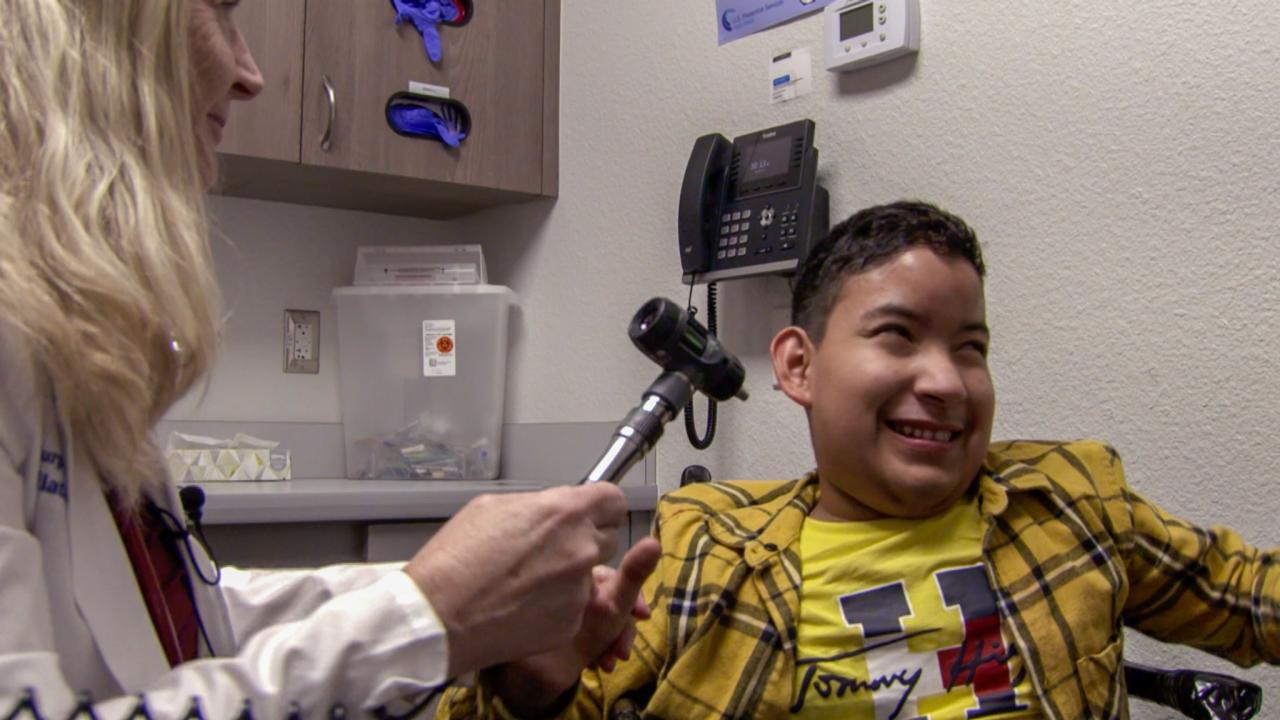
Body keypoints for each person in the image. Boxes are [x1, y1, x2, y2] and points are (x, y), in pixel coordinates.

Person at [0, 1, 659, 717]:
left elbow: (193, 622)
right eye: (220, 8)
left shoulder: (52, 351)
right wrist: (430, 615)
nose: (251, 74)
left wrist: (467, 598)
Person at [438, 201, 1280, 719]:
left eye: (972, 346)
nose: (947, 381)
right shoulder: (707, 549)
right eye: (898, 337)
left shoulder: (1071, 501)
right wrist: (533, 687)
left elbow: (1249, 600)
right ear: (799, 367)